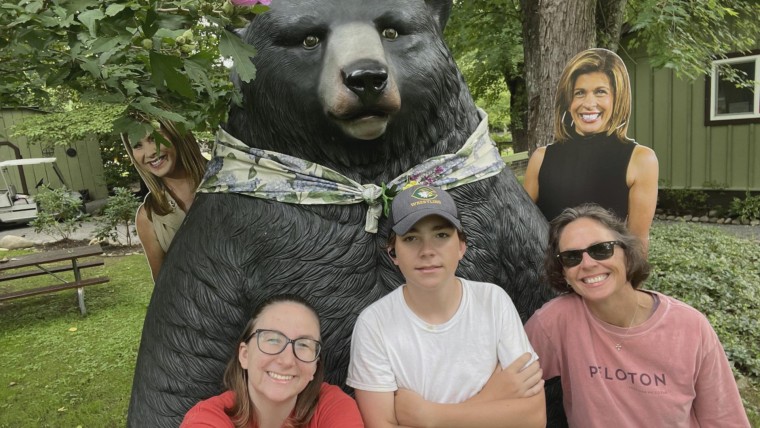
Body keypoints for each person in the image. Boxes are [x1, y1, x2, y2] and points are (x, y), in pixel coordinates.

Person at [525, 203, 750, 428]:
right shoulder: (555, 322)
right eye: (572, 257)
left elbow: (725, 419)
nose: (588, 263)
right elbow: (504, 386)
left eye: (601, 249)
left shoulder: (690, 328)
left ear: (628, 254)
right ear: (563, 272)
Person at [346, 184, 546, 428]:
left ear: (461, 246)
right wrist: (491, 398)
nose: (427, 251)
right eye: (411, 238)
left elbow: (534, 418)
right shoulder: (374, 324)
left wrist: (428, 417)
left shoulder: (493, 301)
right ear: (393, 253)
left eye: (441, 235)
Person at [523, 48, 659, 252]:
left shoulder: (640, 160)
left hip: (600, 278)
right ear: (569, 102)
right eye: (580, 93)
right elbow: (520, 229)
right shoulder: (541, 158)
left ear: (617, 99)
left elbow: (637, 243)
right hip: (544, 276)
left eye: (600, 92)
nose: (588, 104)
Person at [181, 293, 364, 428]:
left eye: (303, 345)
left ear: (315, 366)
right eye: (273, 340)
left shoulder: (333, 406)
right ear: (244, 355)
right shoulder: (207, 418)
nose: (286, 360)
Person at [122, 118, 207, 280]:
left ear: (176, 133)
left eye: (154, 138)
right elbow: (163, 289)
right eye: (137, 145)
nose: (149, 153)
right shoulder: (148, 217)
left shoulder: (227, 183)